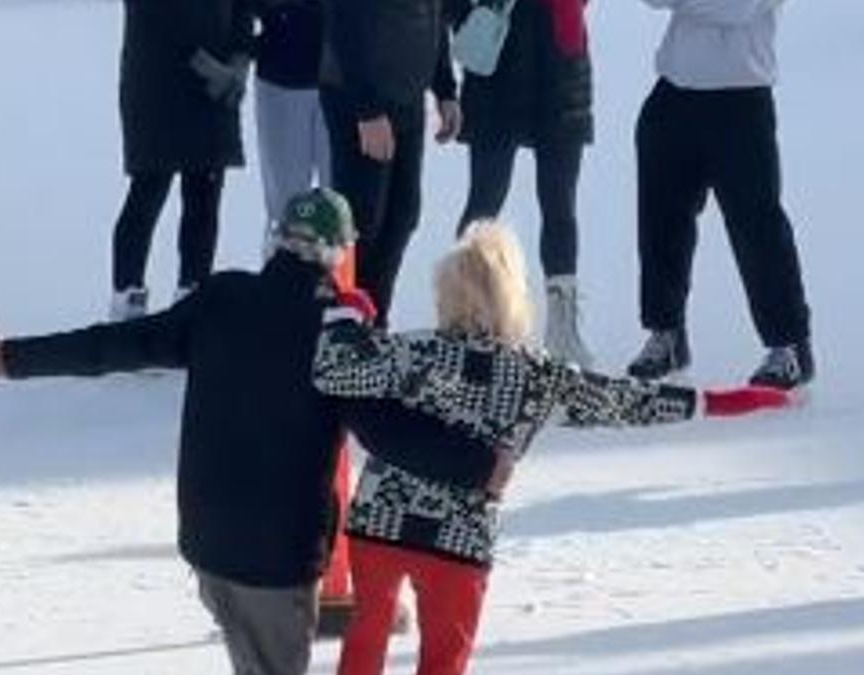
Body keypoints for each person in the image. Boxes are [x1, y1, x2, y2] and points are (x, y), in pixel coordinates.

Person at [312, 222, 793, 675]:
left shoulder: (412, 352)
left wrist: (346, 320)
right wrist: (719, 401)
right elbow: (626, 402)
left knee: (365, 641)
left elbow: (333, 372)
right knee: (444, 660)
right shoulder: (539, 375)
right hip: (460, 539)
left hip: (382, 522)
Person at [0, 189, 358, 675]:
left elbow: (119, 345)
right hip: (277, 558)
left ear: (276, 240)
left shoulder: (222, 298)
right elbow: (387, 431)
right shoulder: (337, 333)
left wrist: (15, 358)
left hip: (207, 541)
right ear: (340, 251)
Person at [627, 0, 814, 389]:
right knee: (661, 221)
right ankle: (666, 332)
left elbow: (736, 9)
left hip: (741, 99)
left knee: (756, 226)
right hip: (674, 93)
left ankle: (788, 343)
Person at [451, 0, 597, 369]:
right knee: (484, 202)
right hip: (497, 61)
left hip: (560, 65)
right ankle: (465, 318)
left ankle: (562, 332)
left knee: (560, 204)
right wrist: (470, 17)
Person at [318, 0, 464, 327]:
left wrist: (445, 89)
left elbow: (434, 15)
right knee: (361, 218)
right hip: (357, 98)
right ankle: (343, 326)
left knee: (403, 214)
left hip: (406, 97)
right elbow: (343, 23)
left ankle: (374, 319)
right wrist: (367, 110)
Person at [108, 0, 253, 321]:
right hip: (157, 85)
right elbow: (155, 16)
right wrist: (206, 66)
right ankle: (127, 303)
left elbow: (243, 8)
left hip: (217, 90)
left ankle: (193, 298)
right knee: (148, 191)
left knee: (204, 198)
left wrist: (239, 60)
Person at [249, 0, 332, 258]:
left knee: (343, 201)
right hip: (281, 77)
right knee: (287, 206)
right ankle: (281, 286)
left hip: (345, 78)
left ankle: (343, 289)